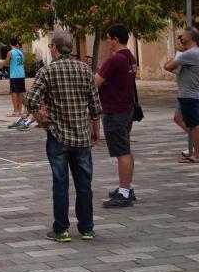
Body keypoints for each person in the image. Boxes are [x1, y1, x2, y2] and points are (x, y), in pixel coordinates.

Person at [24, 30, 102, 243]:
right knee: (84, 184)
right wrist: (96, 128)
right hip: (82, 135)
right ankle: (87, 228)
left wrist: (40, 118)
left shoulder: (47, 71)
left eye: (51, 46)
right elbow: (95, 104)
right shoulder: (85, 70)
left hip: (58, 135)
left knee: (60, 183)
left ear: (55, 48)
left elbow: (30, 100)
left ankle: (61, 229)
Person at [94, 24, 137, 208]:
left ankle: (124, 192)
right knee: (125, 148)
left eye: (109, 38)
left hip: (115, 110)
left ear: (116, 39)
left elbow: (95, 82)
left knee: (122, 152)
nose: (107, 41)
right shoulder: (130, 57)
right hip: (127, 109)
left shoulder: (114, 60)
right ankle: (126, 187)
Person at [164, 27, 199, 164]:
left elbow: (168, 66)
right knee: (184, 120)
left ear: (191, 37)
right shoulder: (191, 54)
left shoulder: (190, 54)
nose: (181, 37)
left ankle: (198, 154)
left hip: (190, 94)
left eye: (184, 35)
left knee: (194, 124)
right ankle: (197, 148)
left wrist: (178, 53)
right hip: (187, 93)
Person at [4, 40, 29, 129]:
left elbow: (6, 63)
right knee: (21, 92)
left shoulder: (10, 52)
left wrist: (1, 62)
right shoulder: (21, 52)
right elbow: (24, 61)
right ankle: (20, 110)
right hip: (21, 74)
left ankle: (16, 110)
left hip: (14, 75)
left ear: (10, 44)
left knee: (14, 92)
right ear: (17, 44)